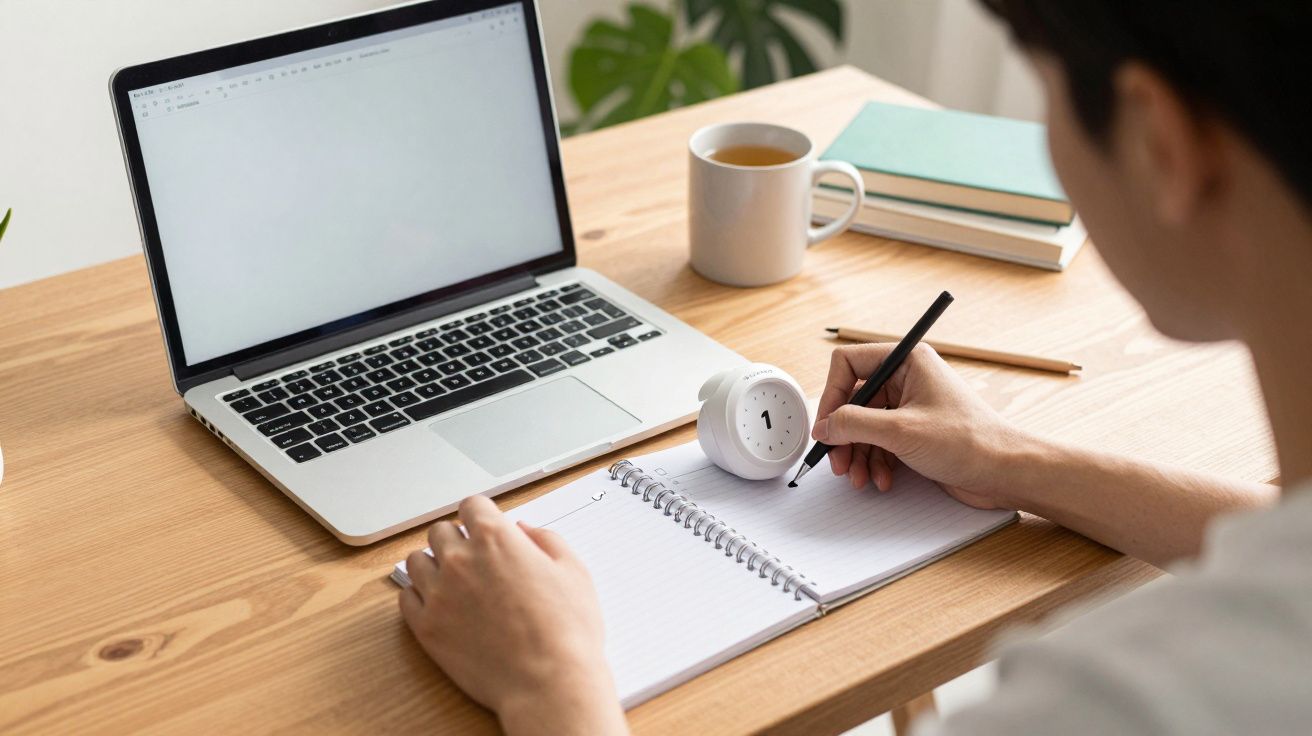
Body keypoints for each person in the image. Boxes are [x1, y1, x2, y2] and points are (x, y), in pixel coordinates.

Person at [397, 2, 1312, 733]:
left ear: (1159, 140)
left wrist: (552, 685)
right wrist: (1010, 461)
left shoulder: (1120, 703)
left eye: (1045, 100)